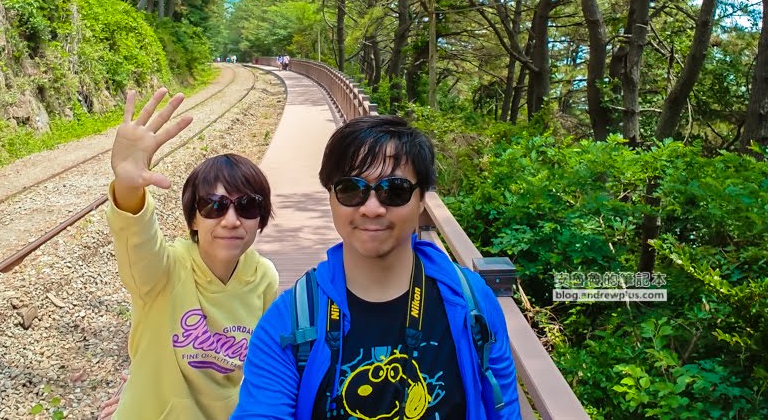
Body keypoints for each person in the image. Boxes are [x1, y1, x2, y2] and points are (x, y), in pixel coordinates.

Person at [230, 115, 520, 420]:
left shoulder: (472, 303)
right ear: (330, 197)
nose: (371, 208)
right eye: (351, 189)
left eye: (394, 190)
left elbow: (505, 411)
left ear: (422, 200)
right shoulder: (290, 320)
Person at [103, 87, 278, 419]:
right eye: (213, 206)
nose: (231, 220)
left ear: (261, 217)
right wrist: (128, 185)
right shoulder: (163, 271)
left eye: (247, 206)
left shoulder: (264, 277)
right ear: (193, 219)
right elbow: (136, 236)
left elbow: (266, 365)